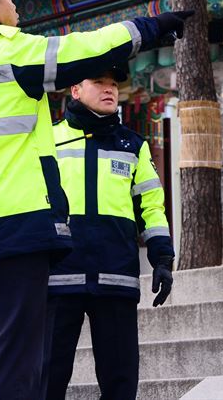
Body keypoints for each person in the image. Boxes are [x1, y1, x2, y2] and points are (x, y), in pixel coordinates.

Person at [0, 0, 191, 399]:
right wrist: (151, 26)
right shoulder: (9, 51)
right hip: (14, 230)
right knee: (11, 362)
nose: (16, 6)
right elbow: (85, 50)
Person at [45, 70, 174, 399]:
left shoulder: (134, 146)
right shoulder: (47, 139)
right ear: (76, 89)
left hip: (116, 276)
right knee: (45, 380)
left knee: (121, 383)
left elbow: (152, 206)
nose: (110, 90)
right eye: (99, 83)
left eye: (114, 85)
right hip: (59, 276)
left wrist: (162, 258)